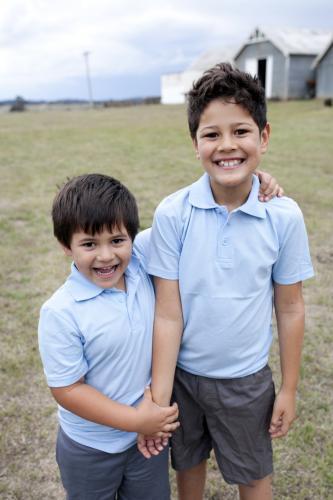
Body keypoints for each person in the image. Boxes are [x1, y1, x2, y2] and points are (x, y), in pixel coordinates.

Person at [139, 63, 314, 500]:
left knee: (254, 479)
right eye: (212, 134)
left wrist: (289, 389)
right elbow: (167, 312)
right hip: (183, 376)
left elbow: (290, 307)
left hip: (246, 381)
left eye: (241, 131)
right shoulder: (173, 214)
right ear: (195, 143)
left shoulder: (284, 217)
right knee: (189, 467)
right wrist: (160, 397)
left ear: (264, 137)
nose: (227, 146)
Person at [38, 173, 180, 500]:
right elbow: (68, 388)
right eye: (89, 244)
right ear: (66, 246)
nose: (106, 256)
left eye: (117, 240)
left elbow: (186, 221)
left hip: (146, 440)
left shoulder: (142, 265)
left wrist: (250, 182)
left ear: (133, 237)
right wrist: (136, 420)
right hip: (90, 448)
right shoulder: (61, 311)